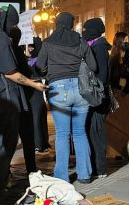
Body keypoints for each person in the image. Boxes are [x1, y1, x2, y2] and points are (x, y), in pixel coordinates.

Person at [0, 7, 47, 190]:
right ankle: (0, 185)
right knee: (5, 144)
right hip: (6, 99)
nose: (12, 27)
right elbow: (11, 73)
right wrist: (34, 84)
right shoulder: (1, 39)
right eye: (11, 23)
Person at [36, 12, 96, 183]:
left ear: (56, 23)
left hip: (58, 89)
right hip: (80, 89)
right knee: (80, 132)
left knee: (62, 133)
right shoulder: (80, 41)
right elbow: (93, 65)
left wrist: (51, 72)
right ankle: (84, 174)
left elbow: (40, 66)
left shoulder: (48, 42)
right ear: (71, 24)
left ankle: (62, 177)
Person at [4, 6, 37, 175]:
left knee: (9, 138)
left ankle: (5, 171)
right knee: (26, 136)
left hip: (8, 99)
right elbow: (23, 73)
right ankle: (31, 169)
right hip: (20, 99)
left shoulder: (5, 47)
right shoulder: (14, 50)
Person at [82, 18, 111, 179]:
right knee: (91, 130)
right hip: (94, 96)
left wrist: (94, 90)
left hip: (97, 98)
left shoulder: (99, 47)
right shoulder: (94, 45)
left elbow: (102, 75)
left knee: (96, 132)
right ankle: (94, 166)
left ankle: (100, 168)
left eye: (86, 29)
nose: (84, 32)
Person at [28, 36, 51, 153]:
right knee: (35, 118)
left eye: (32, 47)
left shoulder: (39, 59)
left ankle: (40, 143)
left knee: (38, 118)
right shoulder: (28, 58)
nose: (30, 49)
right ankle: (39, 142)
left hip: (37, 90)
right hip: (31, 91)